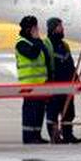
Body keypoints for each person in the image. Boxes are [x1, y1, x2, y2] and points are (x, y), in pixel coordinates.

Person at [15, 15, 51, 144]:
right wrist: (37, 40)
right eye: (35, 28)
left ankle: (37, 135)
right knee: (30, 111)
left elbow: (45, 59)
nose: (37, 30)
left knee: (39, 111)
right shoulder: (21, 43)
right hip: (29, 85)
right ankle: (28, 136)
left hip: (41, 83)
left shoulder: (37, 42)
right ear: (29, 29)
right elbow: (32, 54)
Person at [45, 17, 81, 144]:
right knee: (53, 111)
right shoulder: (47, 45)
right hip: (54, 84)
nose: (62, 29)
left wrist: (76, 77)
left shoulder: (64, 45)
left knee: (69, 112)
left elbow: (70, 63)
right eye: (60, 27)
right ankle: (54, 135)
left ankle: (68, 134)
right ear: (53, 29)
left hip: (67, 85)